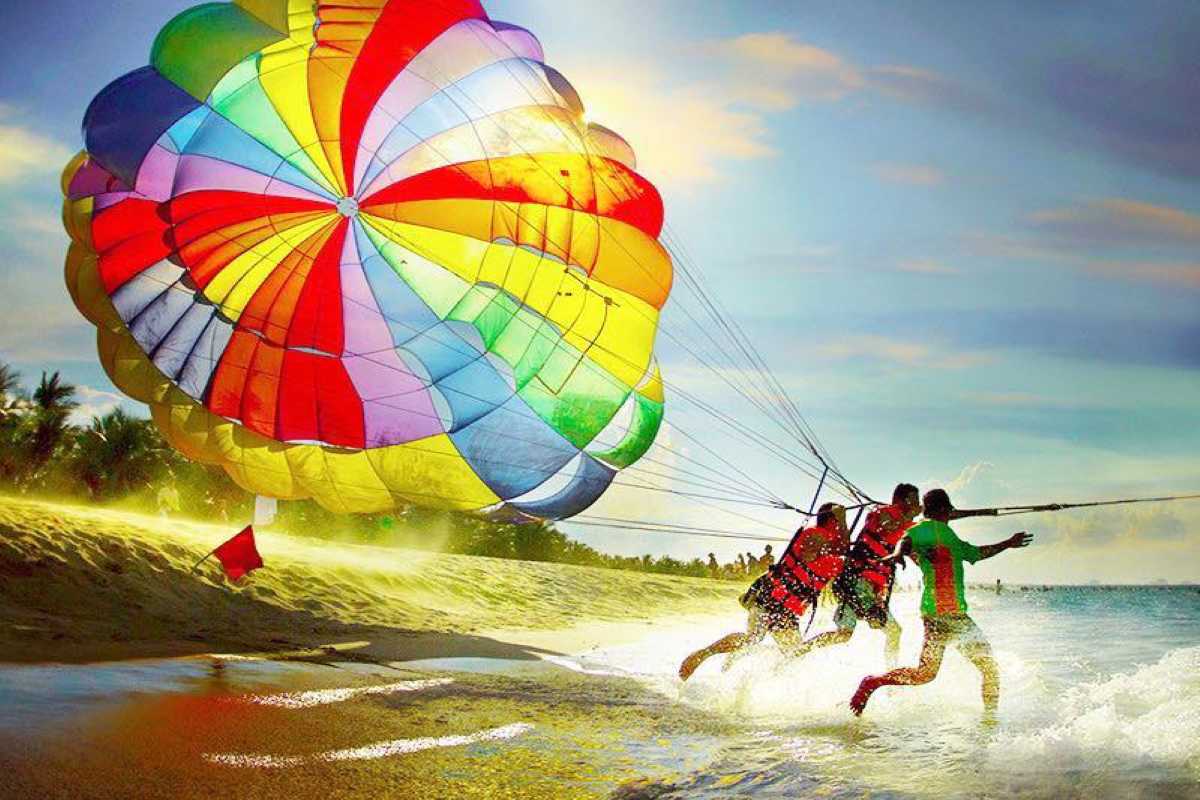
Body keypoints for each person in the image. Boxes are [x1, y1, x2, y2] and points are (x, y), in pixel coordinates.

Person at [850, 489, 1033, 716]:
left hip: (937, 616)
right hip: (948, 615)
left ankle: (873, 682)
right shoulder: (925, 529)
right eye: (949, 509)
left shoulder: (949, 536)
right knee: (990, 669)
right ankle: (990, 722)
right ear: (944, 509)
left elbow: (976, 552)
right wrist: (898, 553)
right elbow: (906, 540)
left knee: (925, 674)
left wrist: (1007, 543)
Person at [679, 503, 849, 681]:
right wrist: (843, 521)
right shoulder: (814, 534)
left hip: (787, 608)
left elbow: (842, 552)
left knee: (793, 652)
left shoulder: (833, 549)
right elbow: (838, 548)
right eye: (839, 522)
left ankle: (750, 670)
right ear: (832, 520)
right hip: (775, 598)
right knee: (754, 638)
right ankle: (704, 654)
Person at [791, 483, 922, 666]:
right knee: (891, 631)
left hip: (871, 589)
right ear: (900, 500)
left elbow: (915, 551)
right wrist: (911, 515)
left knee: (845, 634)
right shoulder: (880, 512)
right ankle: (890, 674)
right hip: (857, 581)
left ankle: (800, 650)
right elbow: (887, 527)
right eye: (913, 500)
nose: (917, 504)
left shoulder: (909, 527)